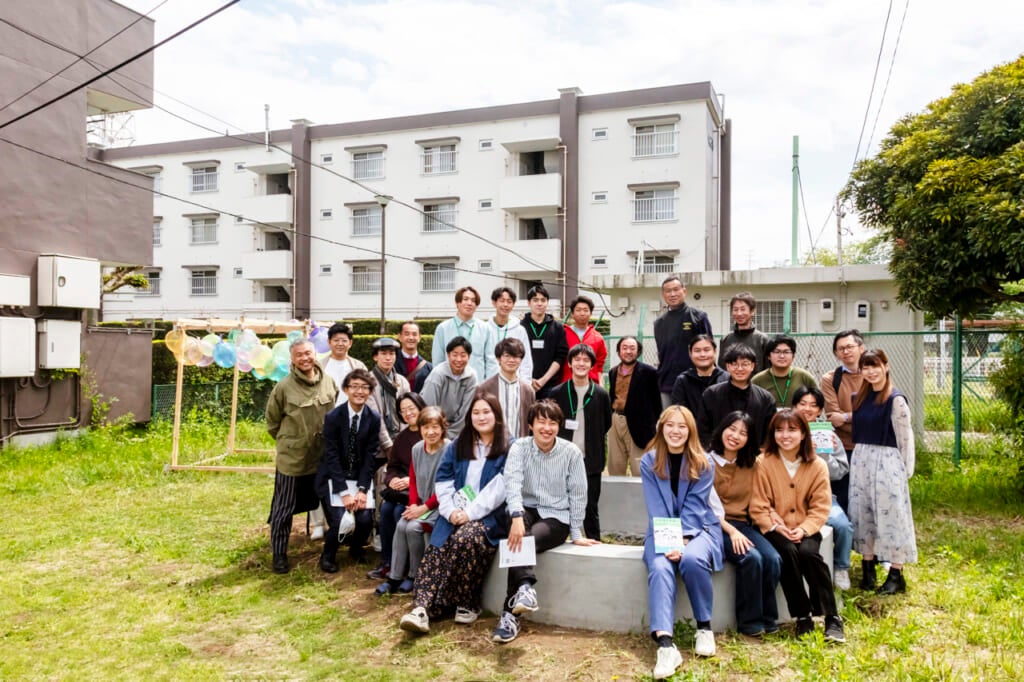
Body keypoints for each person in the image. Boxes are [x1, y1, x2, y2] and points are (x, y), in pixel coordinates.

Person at [399, 392, 510, 635]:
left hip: (489, 516)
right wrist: (449, 512)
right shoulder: (460, 444)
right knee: (438, 547)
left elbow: (499, 489)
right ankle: (420, 609)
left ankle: (465, 602)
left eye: (486, 412)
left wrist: (469, 513)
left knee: (465, 539)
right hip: (454, 512)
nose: (481, 417)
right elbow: (444, 479)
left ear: (496, 415)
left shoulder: (507, 447)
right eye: (476, 412)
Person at [493, 399, 600, 644]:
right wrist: (517, 516)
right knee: (518, 532)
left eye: (552, 422)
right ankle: (524, 593)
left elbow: (578, 493)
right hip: (525, 509)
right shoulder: (520, 447)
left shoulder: (571, 452)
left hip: (556, 516)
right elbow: (512, 483)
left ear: (559, 426)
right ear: (530, 425)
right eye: (541, 421)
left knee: (523, 540)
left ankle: (510, 612)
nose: (547, 428)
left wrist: (576, 532)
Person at [749, 409, 845, 643]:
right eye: (779, 430)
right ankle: (803, 616)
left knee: (809, 553)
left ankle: (832, 617)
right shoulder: (763, 462)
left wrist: (803, 529)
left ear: (803, 434)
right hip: (775, 527)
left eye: (792, 430)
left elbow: (821, 507)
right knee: (789, 553)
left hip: (807, 525)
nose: (785, 436)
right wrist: (776, 525)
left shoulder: (817, 464)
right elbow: (758, 504)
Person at [642, 406, 723, 679]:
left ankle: (704, 627)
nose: (675, 431)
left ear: (690, 431)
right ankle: (666, 645)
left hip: (699, 529)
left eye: (682, 426)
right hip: (661, 528)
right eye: (670, 425)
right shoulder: (649, 461)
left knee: (691, 559)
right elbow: (656, 507)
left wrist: (684, 540)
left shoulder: (704, 463)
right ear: (661, 428)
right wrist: (668, 543)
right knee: (661, 567)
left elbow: (696, 508)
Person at [265, 339, 338, 574]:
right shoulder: (283, 387)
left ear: (314, 353)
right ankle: (279, 555)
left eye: (308, 353)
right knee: (283, 509)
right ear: (292, 359)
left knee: (330, 506)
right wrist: (292, 442)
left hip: (322, 457)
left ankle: (331, 554)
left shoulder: (328, 381)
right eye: (299, 355)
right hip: (293, 459)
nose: (305, 358)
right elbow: (272, 423)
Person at [708, 412, 781, 637]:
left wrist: (772, 513)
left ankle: (769, 618)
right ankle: (749, 622)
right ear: (722, 429)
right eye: (732, 429)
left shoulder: (752, 464)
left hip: (743, 524)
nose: (735, 436)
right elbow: (704, 509)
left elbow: (761, 497)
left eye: (743, 433)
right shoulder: (705, 462)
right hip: (714, 526)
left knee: (773, 559)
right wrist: (731, 532)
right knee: (751, 558)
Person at [849, 349, 916, 595]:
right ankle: (868, 567)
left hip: (887, 460)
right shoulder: (858, 398)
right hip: (862, 459)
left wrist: (904, 470)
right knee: (863, 513)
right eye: (866, 367)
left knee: (892, 517)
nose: (871, 372)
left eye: (875, 366)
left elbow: (905, 438)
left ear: (885, 366)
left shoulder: (895, 399)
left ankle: (896, 573)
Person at [377, 406, 449, 595]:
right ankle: (393, 577)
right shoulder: (417, 448)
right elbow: (414, 477)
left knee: (413, 527)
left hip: (441, 506)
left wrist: (423, 508)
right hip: (421, 505)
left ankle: (414, 575)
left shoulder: (449, 449)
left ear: (443, 428)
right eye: (425, 427)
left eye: (435, 427)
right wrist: (414, 504)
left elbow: (448, 488)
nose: (431, 432)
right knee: (402, 524)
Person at [315, 368, 381, 572]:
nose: (359, 391)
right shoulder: (334, 416)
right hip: (334, 477)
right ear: (346, 389)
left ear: (370, 391)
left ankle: (355, 549)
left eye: (364, 388)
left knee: (364, 520)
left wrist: (362, 489)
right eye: (355, 387)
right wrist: (344, 492)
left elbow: (370, 456)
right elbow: (331, 456)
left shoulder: (373, 418)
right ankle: (328, 556)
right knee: (339, 520)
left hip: (359, 477)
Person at [792, 385, 854, 591]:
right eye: (802, 404)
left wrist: (823, 456)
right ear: (794, 406)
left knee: (843, 526)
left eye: (813, 405)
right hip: (789, 498)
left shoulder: (828, 435)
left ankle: (841, 566)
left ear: (820, 411)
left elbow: (840, 472)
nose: (807, 409)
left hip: (821, 496)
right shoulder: (783, 431)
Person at [553, 344, 612, 539]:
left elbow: (606, 424)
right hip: (561, 460)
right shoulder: (557, 393)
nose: (581, 363)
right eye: (576, 359)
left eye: (586, 360)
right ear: (569, 363)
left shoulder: (601, 394)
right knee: (559, 503)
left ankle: (594, 541)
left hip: (591, 460)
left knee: (590, 506)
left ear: (592, 365)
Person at [370, 392, 426, 587]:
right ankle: (388, 561)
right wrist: (392, 480)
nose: (408, 413)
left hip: (421, 491)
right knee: (385, 509)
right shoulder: (401, 437)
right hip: (402, 491)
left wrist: (410, 480)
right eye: (403, 411)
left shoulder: (430, 432)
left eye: (412, 408)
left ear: (421, 407)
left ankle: (408, 566)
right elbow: (392, 466)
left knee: (397, 512)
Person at [820, 329, 866, 512]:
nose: (846, 352)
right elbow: (833, 417)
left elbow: (879, 414)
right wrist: (864, 418)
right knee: (843, 497)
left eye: (850, 347)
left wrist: (847, 416)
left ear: (861, 348)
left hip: (870, 446)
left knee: (868, 497)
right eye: (841, 349)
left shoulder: (874, 374)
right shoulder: (830, 379)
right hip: (844, 447)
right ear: (836, 354)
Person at [697, 345, 775, 450]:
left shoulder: (766, 399)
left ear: (752, 366)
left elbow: (769, 434)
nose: (739, 368)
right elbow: (703, 429)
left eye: (745, 364)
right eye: (734, 364)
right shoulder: (711, 394)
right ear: (727, 366)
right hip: (717, 456)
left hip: (753, 458)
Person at [653, 276, 713, 408]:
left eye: (676, 289)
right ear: (663, 295)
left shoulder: (698, 317)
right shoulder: (659, 323)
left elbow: (709, 351)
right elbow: (661, 354)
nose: (672, 294)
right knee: (671, 424)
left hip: (695, 383)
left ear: (684, 291)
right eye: (668, 291)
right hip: (667, 384)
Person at [607, 335, 661, 477]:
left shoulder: (649, 372)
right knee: (616, 464)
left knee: (640, 467)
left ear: (638, 352)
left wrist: (653, 426)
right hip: (616, 420)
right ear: (619, 351)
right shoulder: (613, 372)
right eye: (624, 348)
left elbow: (656, 402)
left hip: (640, 424)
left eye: (632, 348)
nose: (628, 351)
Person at [432, 286, 497, 379]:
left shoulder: (486, 329)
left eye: (473, 301)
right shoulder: (443, 328)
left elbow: (491, 362)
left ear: (477, 305)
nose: (469, 303)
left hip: (477, 386)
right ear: (457, 303)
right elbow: (437, 361)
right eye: (465, 299)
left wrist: (488, 387)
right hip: (450, 385)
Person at [421, 336, 479, 440]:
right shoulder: (437, 374)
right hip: (435, 429)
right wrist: (438, 432)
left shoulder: (472, 376)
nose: (459, 359)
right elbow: (428, 406)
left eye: (463, 355)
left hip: (459, 432)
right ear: (448, 355)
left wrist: (452, 435)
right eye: (455, 355)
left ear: (469, 357)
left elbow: (467, 411)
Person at [479, 337, 536, 438]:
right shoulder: (485, 388)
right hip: (492, 446)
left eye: (516, 356)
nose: (511, 360)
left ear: (521, 359)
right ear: (498, 358)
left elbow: (530, 422)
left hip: (519, 446)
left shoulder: (528, 391)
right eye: (507, 356)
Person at [521, 284, 569, 399]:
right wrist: (528, 379)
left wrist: (543, 380)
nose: (539, 303)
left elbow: (560, 356)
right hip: (525, 384)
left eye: (543, 300)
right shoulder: (520, 327)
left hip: (550, 386)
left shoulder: (557, 327)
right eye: (535, 300)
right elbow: (516, 356)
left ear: (547, 302)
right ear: (528, 303)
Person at [367, 337, 410, 452]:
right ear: (375, 357)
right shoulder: (367, 381)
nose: (388, 358)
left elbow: (408, 413)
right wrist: (388, 445)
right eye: (383, 354)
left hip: (400, 440)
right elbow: (374, 416)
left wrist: (403, 439)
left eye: (392, 354)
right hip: (375, 444)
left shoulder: (402, 381)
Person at [752, 335, 819, 408]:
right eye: (777, 352)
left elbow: (818, 403)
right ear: (769, 356)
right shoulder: (757, 380)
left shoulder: (805, 377)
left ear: (793, 355)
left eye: (786, 352)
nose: (782, 356)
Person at [670, 334, 728, 416]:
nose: (702, 354)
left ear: (715, 352)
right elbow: (678, 412)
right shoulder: (683, 381)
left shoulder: (727, 379)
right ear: (690, 354)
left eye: (707, 350)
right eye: (697, 351)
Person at [487, 286, 534, 382]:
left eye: (509, 301)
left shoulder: (519, 330)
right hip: (490, 383)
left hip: (514, 383)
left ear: (513, 305)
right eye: (502, 300)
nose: (505, 304)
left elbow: (526, 361)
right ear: (494, 303)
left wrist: (525, 384)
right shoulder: (485, 328)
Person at [558, 295, 607, 384]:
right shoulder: (562, 334)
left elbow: (599, 366)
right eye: (578, 310)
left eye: (585, 310)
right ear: (572, 314)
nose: (582, 313)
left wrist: (600, 386)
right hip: (566, 384)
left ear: (591, 313)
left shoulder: (598, 337)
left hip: (591, 385)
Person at [718, 292, 770, 372]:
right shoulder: (726, 339)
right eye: (735, 309)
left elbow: (768, 369)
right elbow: (722, 369)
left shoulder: (762, 339)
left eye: (743, 309)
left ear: (752, 311)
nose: (739, 313)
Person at [319, 322, 367, 406]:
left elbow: (366, 390)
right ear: (329, 342)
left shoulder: (359, 366)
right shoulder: (320, 365)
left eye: (344, 341)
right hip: (326, 413)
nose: (340, 344)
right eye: (336, 340)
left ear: (350, 343)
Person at [396, 321, 432, 393]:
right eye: (407, 334)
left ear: (419, 337)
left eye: (414, 334)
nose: (411, 337)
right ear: (400, 337)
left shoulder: (428, 367)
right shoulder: (392, 364)